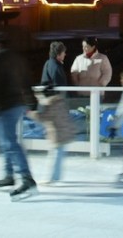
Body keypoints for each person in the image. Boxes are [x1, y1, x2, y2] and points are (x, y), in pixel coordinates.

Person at [0, 31, 37, 201]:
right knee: (4, 142)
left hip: (4, 106)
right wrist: (31, 101)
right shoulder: (18, 58)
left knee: (10, 142)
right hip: (16, 104)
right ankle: (9, 175)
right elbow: (27, 80)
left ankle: (26, 178)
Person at [36, 41, 70, 184]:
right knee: (57, 143)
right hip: (55, 108)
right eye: (63, 52)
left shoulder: (49, 64)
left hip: (53, 107)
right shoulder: (55, 66)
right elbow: (58, 88)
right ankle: (52, 175)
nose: (65, 55)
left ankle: (54, 175)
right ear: (58, 54)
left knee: (57, 143)